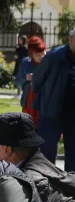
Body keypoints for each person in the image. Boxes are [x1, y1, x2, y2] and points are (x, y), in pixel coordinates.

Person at [32, 30, 75, 169]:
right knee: (46, 152)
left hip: (72, 114)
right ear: (70, 39)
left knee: (73, 153)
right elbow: (37, 79)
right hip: (51, 112)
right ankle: (47, 183)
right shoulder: (54, 56)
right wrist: (45, 98)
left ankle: (70, 186)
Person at [16, 36, 47, 125]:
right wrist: (26, 78)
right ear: (31, 54)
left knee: (43, 127)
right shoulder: (25, 63)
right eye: (38, 55)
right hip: (29, 100)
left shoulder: (49, 62)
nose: (42, 57)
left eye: (43, 54)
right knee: (28, 126)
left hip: (44, 100)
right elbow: (17, 81)